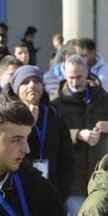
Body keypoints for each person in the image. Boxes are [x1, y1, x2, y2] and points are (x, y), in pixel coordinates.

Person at [52, 54, 108, 216]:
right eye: (71, 77)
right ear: (64, 74)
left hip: (98, 172)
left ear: (87, 72)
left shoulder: (101, 97)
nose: (75, 82)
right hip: (72, 174)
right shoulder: (57, 102)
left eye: (79, 77)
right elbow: (53, 134)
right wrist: (77, 135)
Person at [11, 65, 75, 201]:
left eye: (36, 81)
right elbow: (8, 149)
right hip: (17, 190)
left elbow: (67, 157)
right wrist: (29, 125)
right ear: (17, 89)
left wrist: (62, 191)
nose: (32, 85)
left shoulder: (53, 113)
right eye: (25, 82)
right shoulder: (9, 115)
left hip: (51, 189)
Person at [70, 38, 108, 129]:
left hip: (102, 128)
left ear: (92, 53)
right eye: (75, 56)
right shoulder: (70, 72)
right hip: (78, 128)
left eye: (82, 55)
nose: (78, 59)